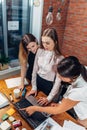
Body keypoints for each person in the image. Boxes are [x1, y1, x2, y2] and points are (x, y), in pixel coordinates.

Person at [22, 56, 87, 129]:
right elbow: (69, 94)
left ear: (71, 77)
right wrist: (60, 104)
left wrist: (35, 108)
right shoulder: (81, 69)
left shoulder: (78, 91)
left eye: (61, 76)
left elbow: (58, 110)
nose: (58, 76)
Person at [28, 28, 64, 105]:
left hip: (49, 86)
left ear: (55, 42)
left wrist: (49, 98)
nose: (45, 45)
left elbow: (58, 82)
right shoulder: (40, 51)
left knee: (43, 109)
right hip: (38, 81)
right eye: (43, 42)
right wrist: (34, 87)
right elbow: (34, 70)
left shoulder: (59, 58)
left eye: (47, 43)